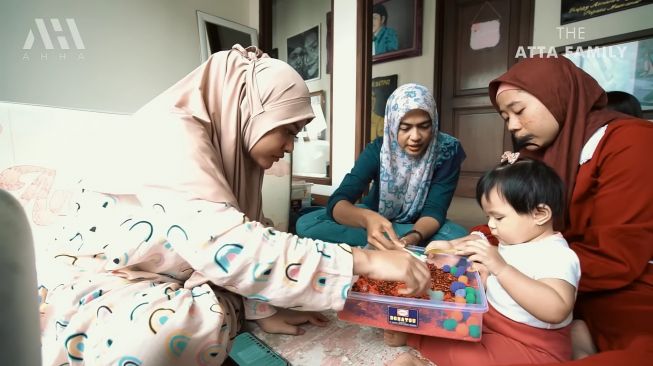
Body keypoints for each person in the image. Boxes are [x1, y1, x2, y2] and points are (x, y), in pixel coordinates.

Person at [38, 45, 432, 365]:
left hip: (168, 271)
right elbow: (233, 244)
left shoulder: (229, 155)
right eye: (288, 130)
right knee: (175, 330)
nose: (291, 146)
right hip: (107, 276)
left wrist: (265, 309)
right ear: (254, 110)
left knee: (248, 276)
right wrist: (361, 260)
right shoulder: (171, 133)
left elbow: (248, 234)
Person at [395, 56, 653, 365]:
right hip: (533, 272)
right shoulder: (537, 153)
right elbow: (507, 218)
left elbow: (616, 257)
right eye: (506, 117)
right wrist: (467, 247)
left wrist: (506, 266)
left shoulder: (632, 141)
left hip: (612, 282)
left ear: (556, 95)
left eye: (518, 111)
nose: (514, 126)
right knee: (460, 308)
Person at [385, 155, 581, 365]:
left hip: (531, 344)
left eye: (499, 217)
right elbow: (477, 240)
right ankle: (579, 341)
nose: (491, 225)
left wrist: (501, 269)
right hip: (494, 321)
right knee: (451, 321)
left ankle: (417, 343)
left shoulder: (557, 255)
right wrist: (450, 247)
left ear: (540, 214)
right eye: (488, 216)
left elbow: (556, 309)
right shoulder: (517, 238)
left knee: (469, 357)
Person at [296, 83, 468, 250]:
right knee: (307, 223)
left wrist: (413, 236)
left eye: (424, 126)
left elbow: (435, 209)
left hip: (419, 224)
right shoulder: (378, 149)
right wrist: (368, 219)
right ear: (392, 125)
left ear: (434, 123)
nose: (415, 136)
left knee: (458, 235)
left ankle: (383, 241)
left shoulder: (448, 150)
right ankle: (386, 239)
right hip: (375, 214)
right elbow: (340, 199)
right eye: (405, 128)